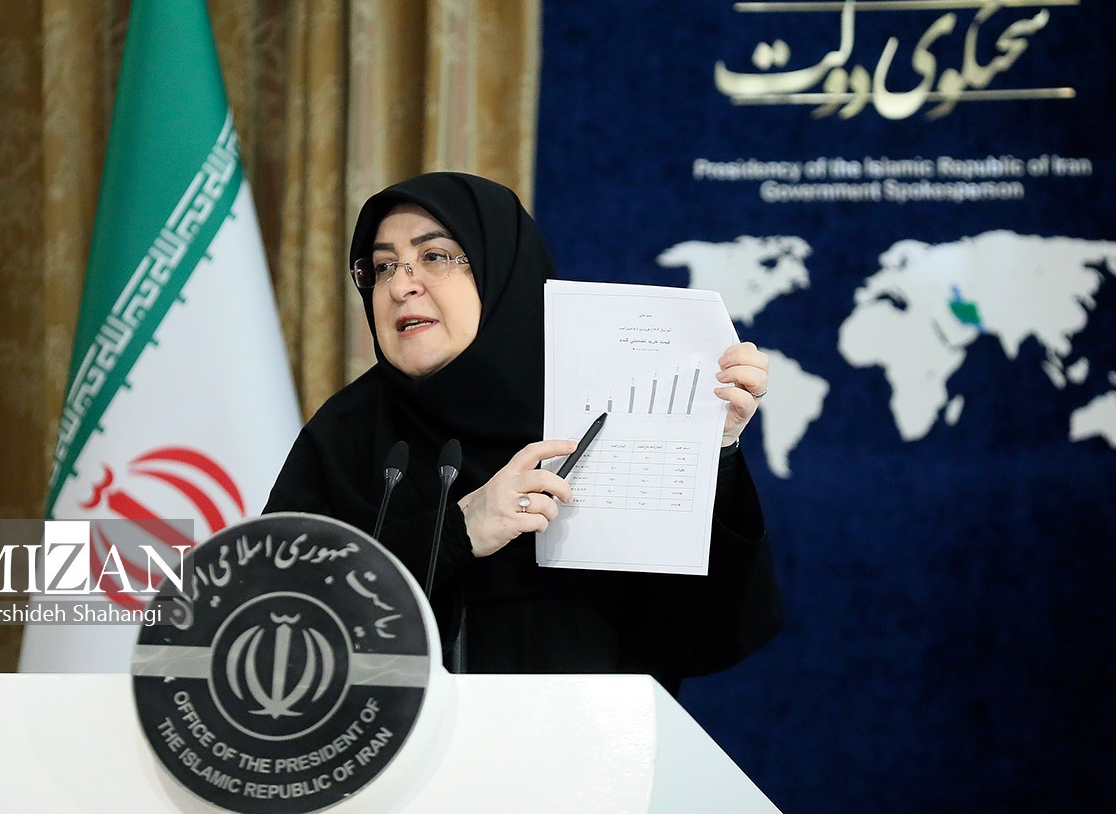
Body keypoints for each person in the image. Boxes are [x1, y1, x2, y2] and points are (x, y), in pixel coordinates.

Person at [264, 171, 782, 693]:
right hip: (397, 737)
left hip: (592, 735)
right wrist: (457, 531)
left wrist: (709, 451)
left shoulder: (602, 410)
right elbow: (274, 622)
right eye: (382, 267)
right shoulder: (345, 434)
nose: (400, 286)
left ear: (501, 269)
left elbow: (712, 632)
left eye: (434, 256)